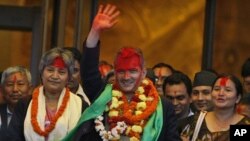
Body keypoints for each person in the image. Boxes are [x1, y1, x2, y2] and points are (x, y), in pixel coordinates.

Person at [62, 4, 180, 141]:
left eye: (133, 71)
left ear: (143, 72)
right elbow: (88, 72)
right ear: (115, 73)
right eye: (121, 71)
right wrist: (95, 31)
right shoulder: (103, 96)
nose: (126, 77)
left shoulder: (164, 107)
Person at [7, 48, 88, 141]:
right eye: (50, 70)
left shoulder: (81, 105)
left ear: (68, 77)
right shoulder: (24, 104)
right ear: (42, 73)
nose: (55, 76)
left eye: (61, 72)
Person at [180, 74, 250, 141]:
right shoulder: (193, 122)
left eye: (228, 90)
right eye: (217, 89)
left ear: (238, 98)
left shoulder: (244, 125)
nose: (221, 93)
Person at [0, 66, 32, 140]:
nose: (15, 89)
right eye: (10, 84)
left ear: (30, 89)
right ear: (2, 90)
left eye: (20, 84)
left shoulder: (38, 113)